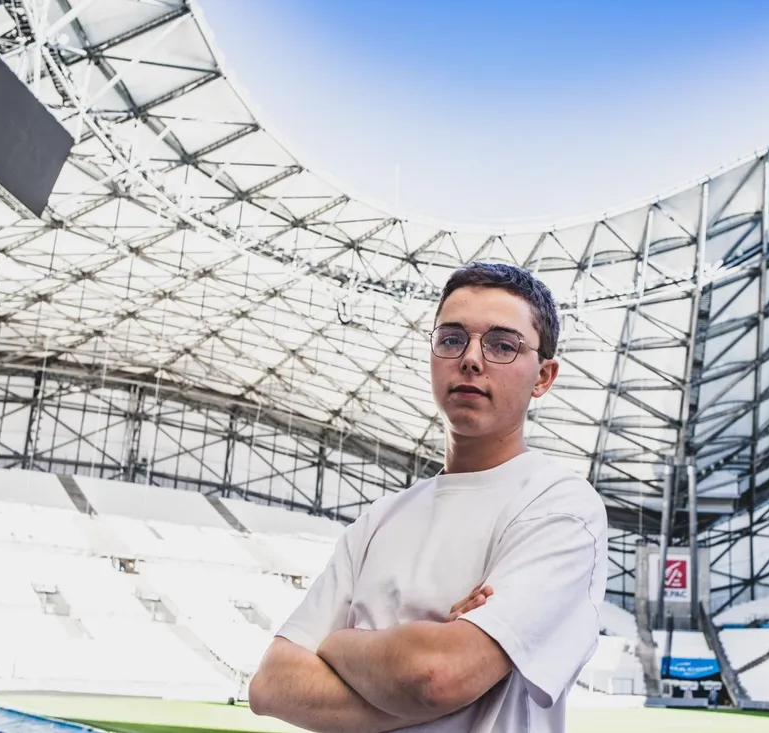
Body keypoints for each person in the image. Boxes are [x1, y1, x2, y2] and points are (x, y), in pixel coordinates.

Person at [248, 262, 609, 732]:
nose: (472, 358)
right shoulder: (380, 520)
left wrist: (338, 644)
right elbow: (270, 685)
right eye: (452, 338)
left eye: (502, 345)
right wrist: (412, 668)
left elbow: (437, 678)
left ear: (543, 377)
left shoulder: (560, 506)